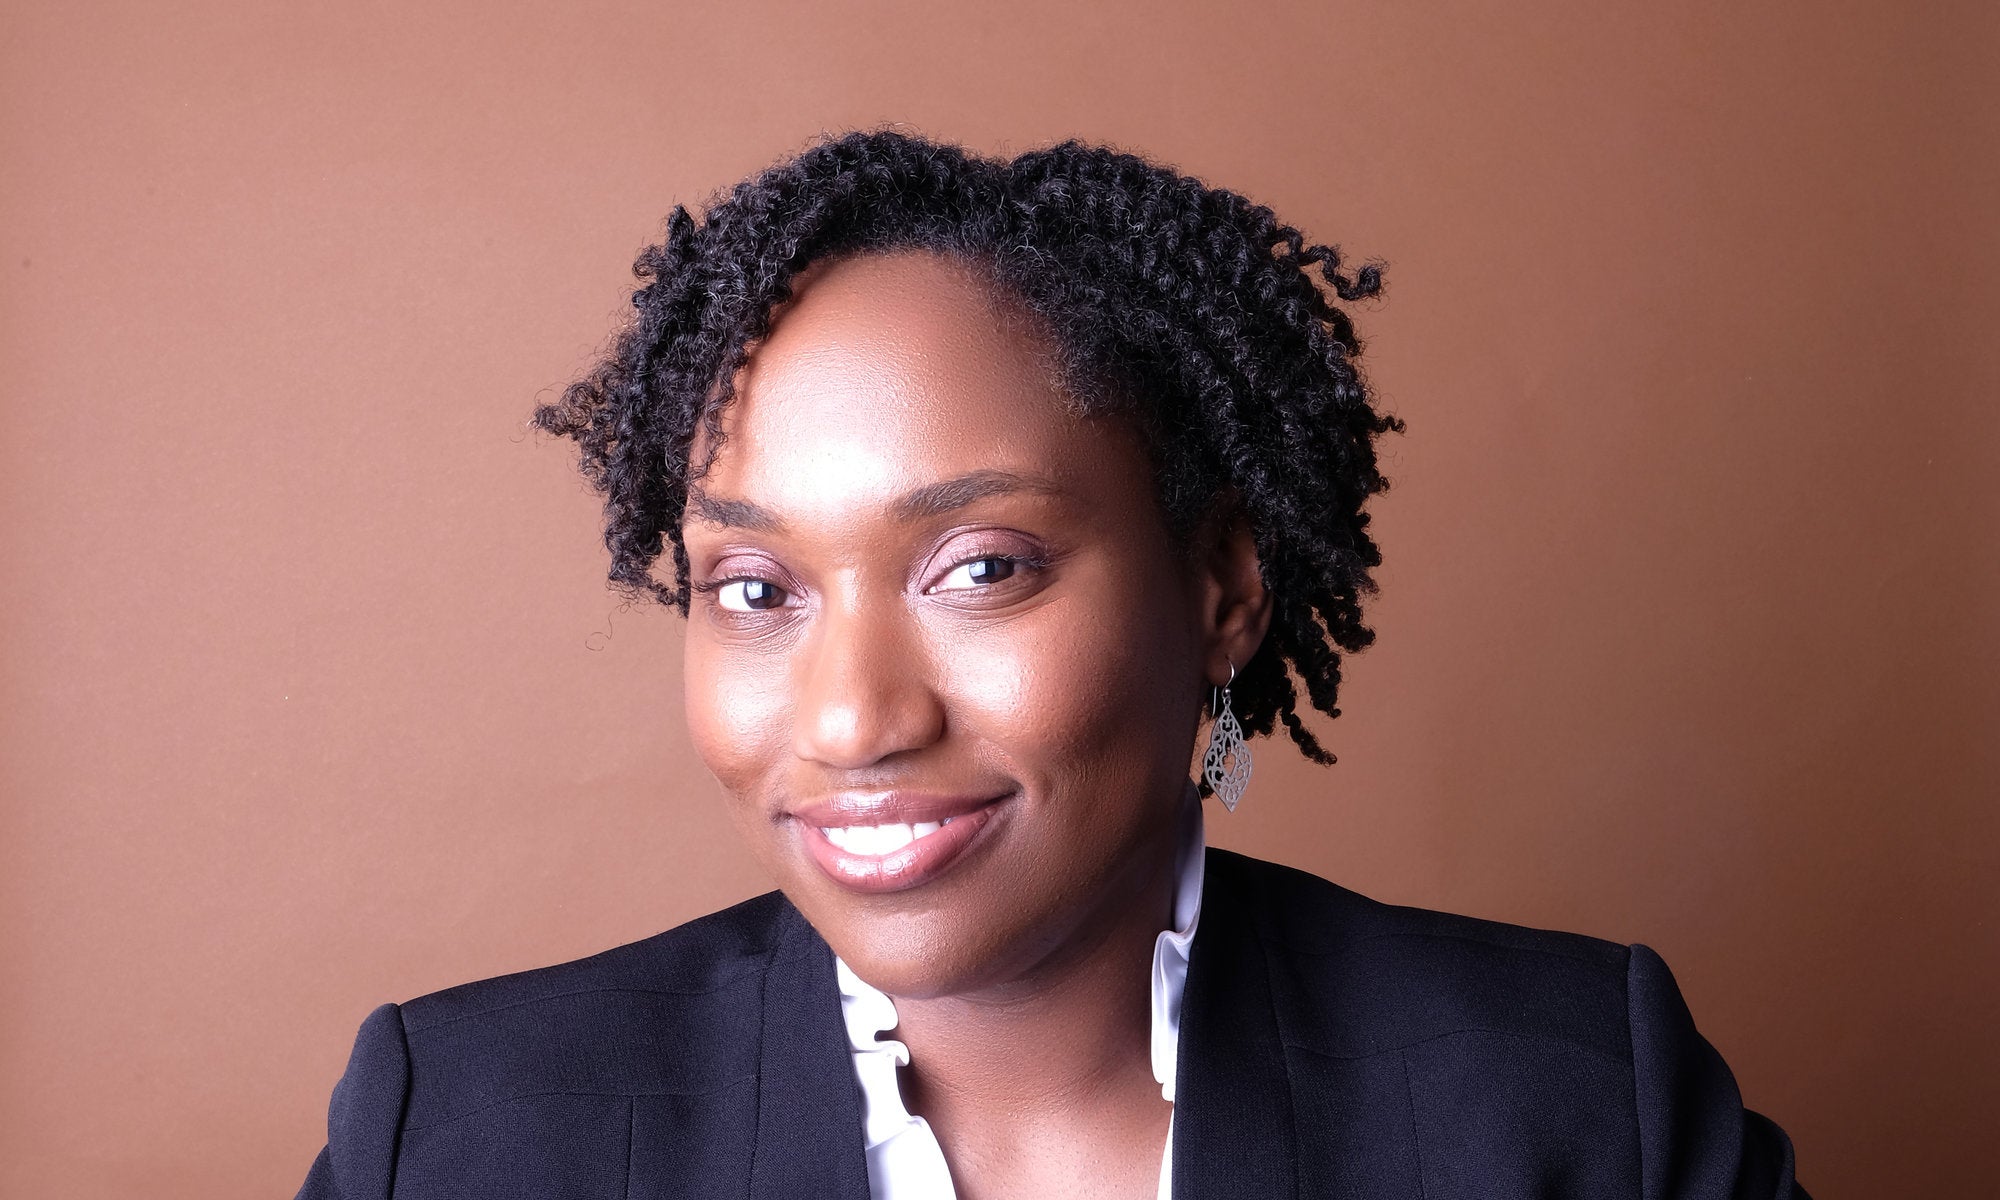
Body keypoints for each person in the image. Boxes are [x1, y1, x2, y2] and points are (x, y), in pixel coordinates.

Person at [293, 130, 1808, 1199]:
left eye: (980, 569)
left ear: (1218, 594)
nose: (853, 716)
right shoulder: (457, 1132)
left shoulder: (1577, 1106)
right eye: (753, 588)